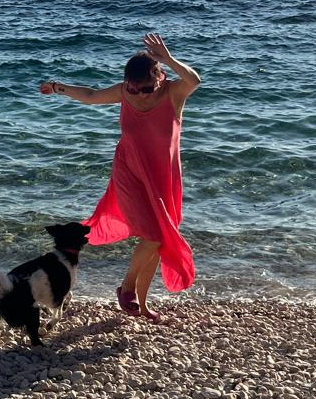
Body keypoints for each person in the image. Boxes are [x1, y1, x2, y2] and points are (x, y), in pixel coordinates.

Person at [39, 33, 200, 319]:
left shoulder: (173, 94)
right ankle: (125, 289)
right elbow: (90, 95)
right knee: (151, 237)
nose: (140, 95)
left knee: (159, 240)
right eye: (134, 89)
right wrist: (56, 87)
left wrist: (169, 59)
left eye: (146, 88)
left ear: (160, 78)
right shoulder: (124, 93)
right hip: (129, 171)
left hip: (163, 178)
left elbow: (194, 81)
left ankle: (143, 303)